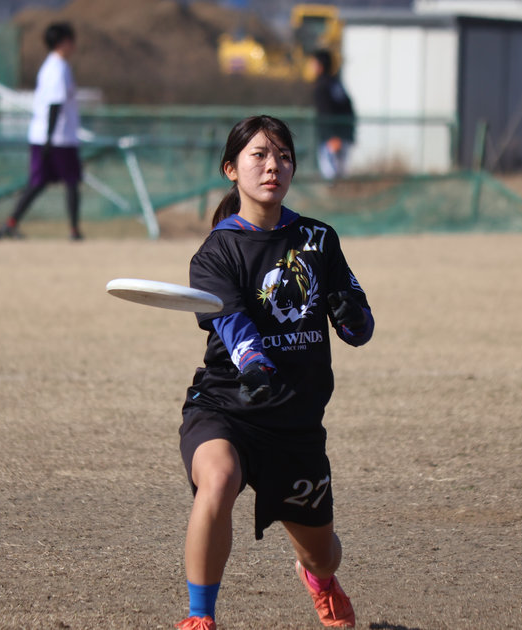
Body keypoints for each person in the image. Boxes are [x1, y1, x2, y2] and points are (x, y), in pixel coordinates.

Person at [176, 115, 374, 630]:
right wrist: (255, 366)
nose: (273, 167)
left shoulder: (318, 239)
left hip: (295, 423)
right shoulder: (217, 251)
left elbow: (359, 325)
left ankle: (319, 580)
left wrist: (353, 318)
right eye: (259, 155)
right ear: (231, 169)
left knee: (323, 555)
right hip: (228, 406)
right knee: (218, 478)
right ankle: (200, 618)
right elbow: (233, 323)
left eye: (284, 156)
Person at [0, 22, 83, 240]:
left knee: (44, 183)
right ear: (63, 42)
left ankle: (12, 223)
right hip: (57, 137)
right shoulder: (57, 68)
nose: (73, 45)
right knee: (64, 182)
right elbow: (55, 104)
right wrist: (49, 138)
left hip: (53, 136)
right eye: (71, 40)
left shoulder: (56, 66)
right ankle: (72, 230)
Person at [311, 49, 355, 181]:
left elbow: (327, 112)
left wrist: (332, 136)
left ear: (320, 65)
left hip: (332, 137)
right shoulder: (335, 83)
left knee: (332, 174)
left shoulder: (324, 85)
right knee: (339, 172)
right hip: (340, 135)